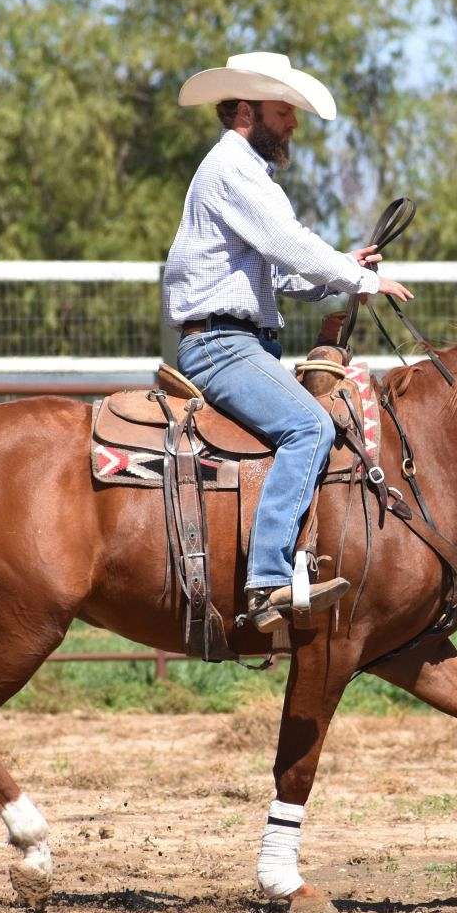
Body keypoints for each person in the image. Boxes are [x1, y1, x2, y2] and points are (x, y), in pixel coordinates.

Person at [162, 52, 414, 635]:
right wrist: (361, 279)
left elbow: (279, 272)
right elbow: (289, 243)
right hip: (223, 346)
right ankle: (267, 577)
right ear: (248, 111)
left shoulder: (241, 171)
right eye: (285, 111)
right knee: (310, 427)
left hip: (237, 341)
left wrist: (340, 267)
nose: (294, 124)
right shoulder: (234, 168)